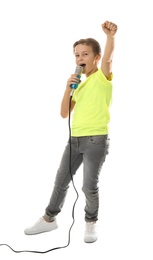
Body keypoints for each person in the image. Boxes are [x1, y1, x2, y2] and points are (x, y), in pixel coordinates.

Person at [24, 20, 118, 243]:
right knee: (60, 180)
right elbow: (64, 113)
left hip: (96, 139)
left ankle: (90, 222)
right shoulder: (79, 84)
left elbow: (109, 58)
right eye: (77, 55)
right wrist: (68, 88)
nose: (80, 59)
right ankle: (49, 219)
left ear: (96, 57)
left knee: (88, 186)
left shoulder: (101, 77)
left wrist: (110, 37)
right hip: (74, 139)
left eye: (85, 54)